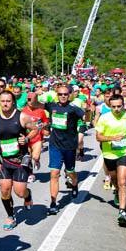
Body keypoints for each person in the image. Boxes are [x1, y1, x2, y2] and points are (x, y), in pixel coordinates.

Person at [0, 90, 36, 230]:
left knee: (20, 192)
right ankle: (10, 216)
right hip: (4, 160)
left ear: (13, 102)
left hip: (20, 160)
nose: (5, 104)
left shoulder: (22, 116)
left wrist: (26, 138)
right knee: (5, 190)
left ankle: (28, 196)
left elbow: (35, 129)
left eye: (8, 101)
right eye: (2, 101)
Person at [95, 95, 126, 226]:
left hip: (124, 152)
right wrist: (112, 138)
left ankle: (122, 212)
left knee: (123, 182)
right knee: (114, 180)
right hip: (109, 154)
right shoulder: (104, 118)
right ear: (110, 106)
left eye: (119, 106)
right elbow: (98, 137)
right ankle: (116, 191)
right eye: (113, 106)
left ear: (123, 105)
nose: (116, 109)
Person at [44, 85, 86, 215]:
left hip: (69, 146)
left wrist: (87, 115)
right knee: (54, 174)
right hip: (55, 145)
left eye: (65, 94)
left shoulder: (74, 109)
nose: (63, 96)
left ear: (70, 95)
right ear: (57, 94)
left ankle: (74, 183)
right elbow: (37, 104)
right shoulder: (52, 106)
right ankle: (53, 203)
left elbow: (86, 117)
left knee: (70, 172)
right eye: (60, 94)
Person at [21, 92, 48, 183]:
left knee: (35, 157)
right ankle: (30, 174)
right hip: (27, 138)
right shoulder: (23, 111)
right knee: (28, 157)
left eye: (32, 99)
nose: (30, 101)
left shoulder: (41, 111)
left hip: (37, 138)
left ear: (36, 100)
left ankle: (37, 161)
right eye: (28, 99)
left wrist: (43, 125)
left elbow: (46, 122)